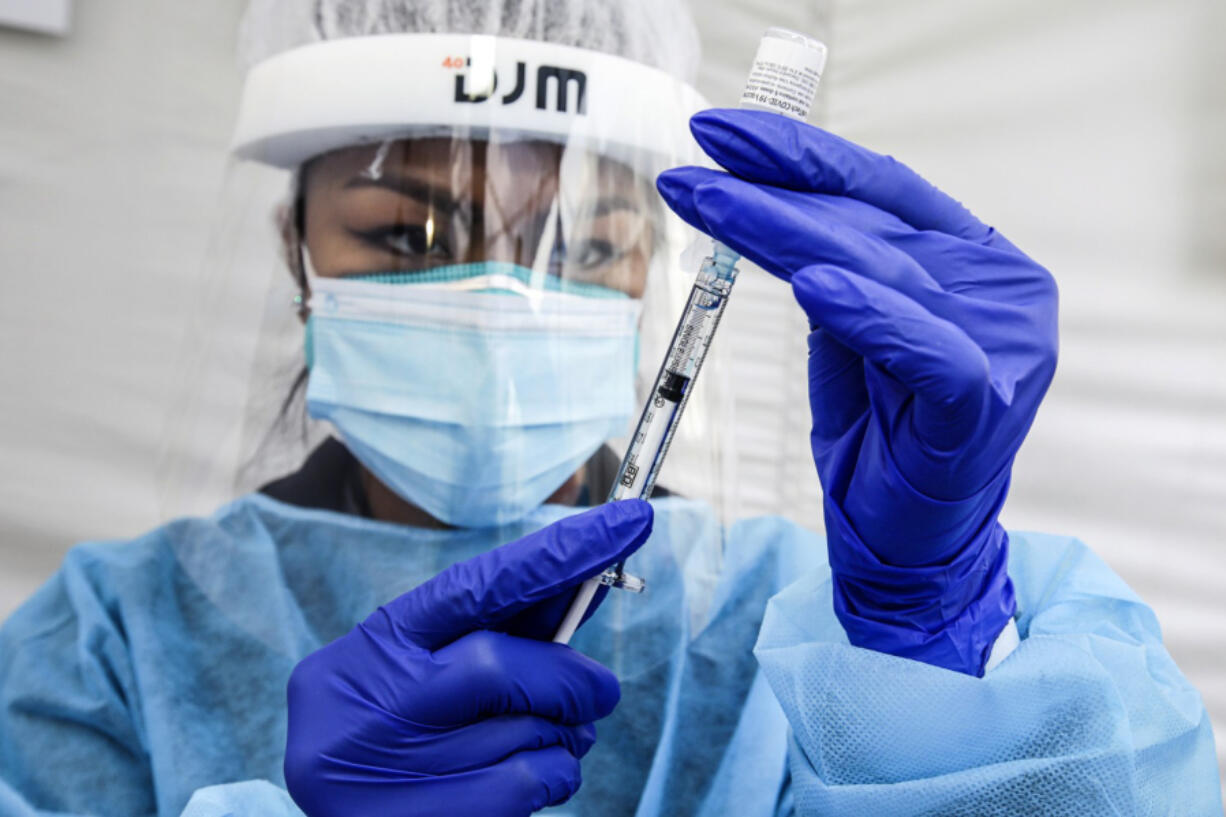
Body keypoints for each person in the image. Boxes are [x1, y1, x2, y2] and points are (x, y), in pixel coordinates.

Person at [0, 2, 1220, 816]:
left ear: (654, 275)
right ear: (293, 253)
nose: (499, 301)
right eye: (403, 234)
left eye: (584, 245)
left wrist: (926, 642)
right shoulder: (108, 641)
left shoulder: (795, 626)